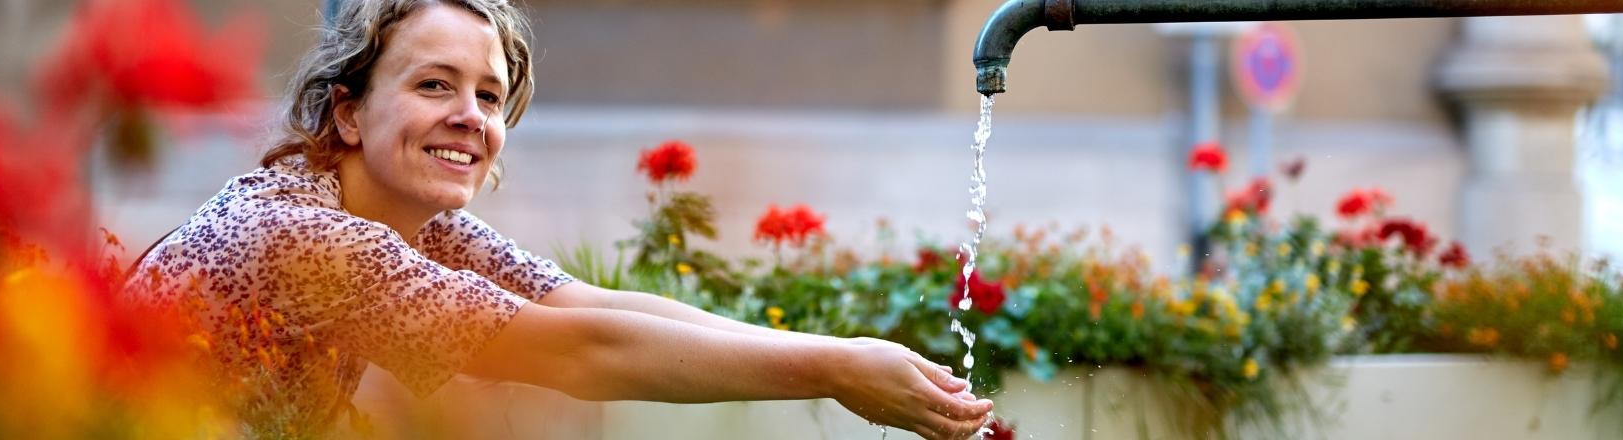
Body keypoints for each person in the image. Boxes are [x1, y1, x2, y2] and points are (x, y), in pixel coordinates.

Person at [122, 1, 992, 438]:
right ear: (347, 113)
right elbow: (580, 356)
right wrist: (834, 371)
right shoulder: (305, 235)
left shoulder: (413, 220)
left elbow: (582, 307)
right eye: (434, 85)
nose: (471, 115)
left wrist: (836, 355)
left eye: (490, 94)